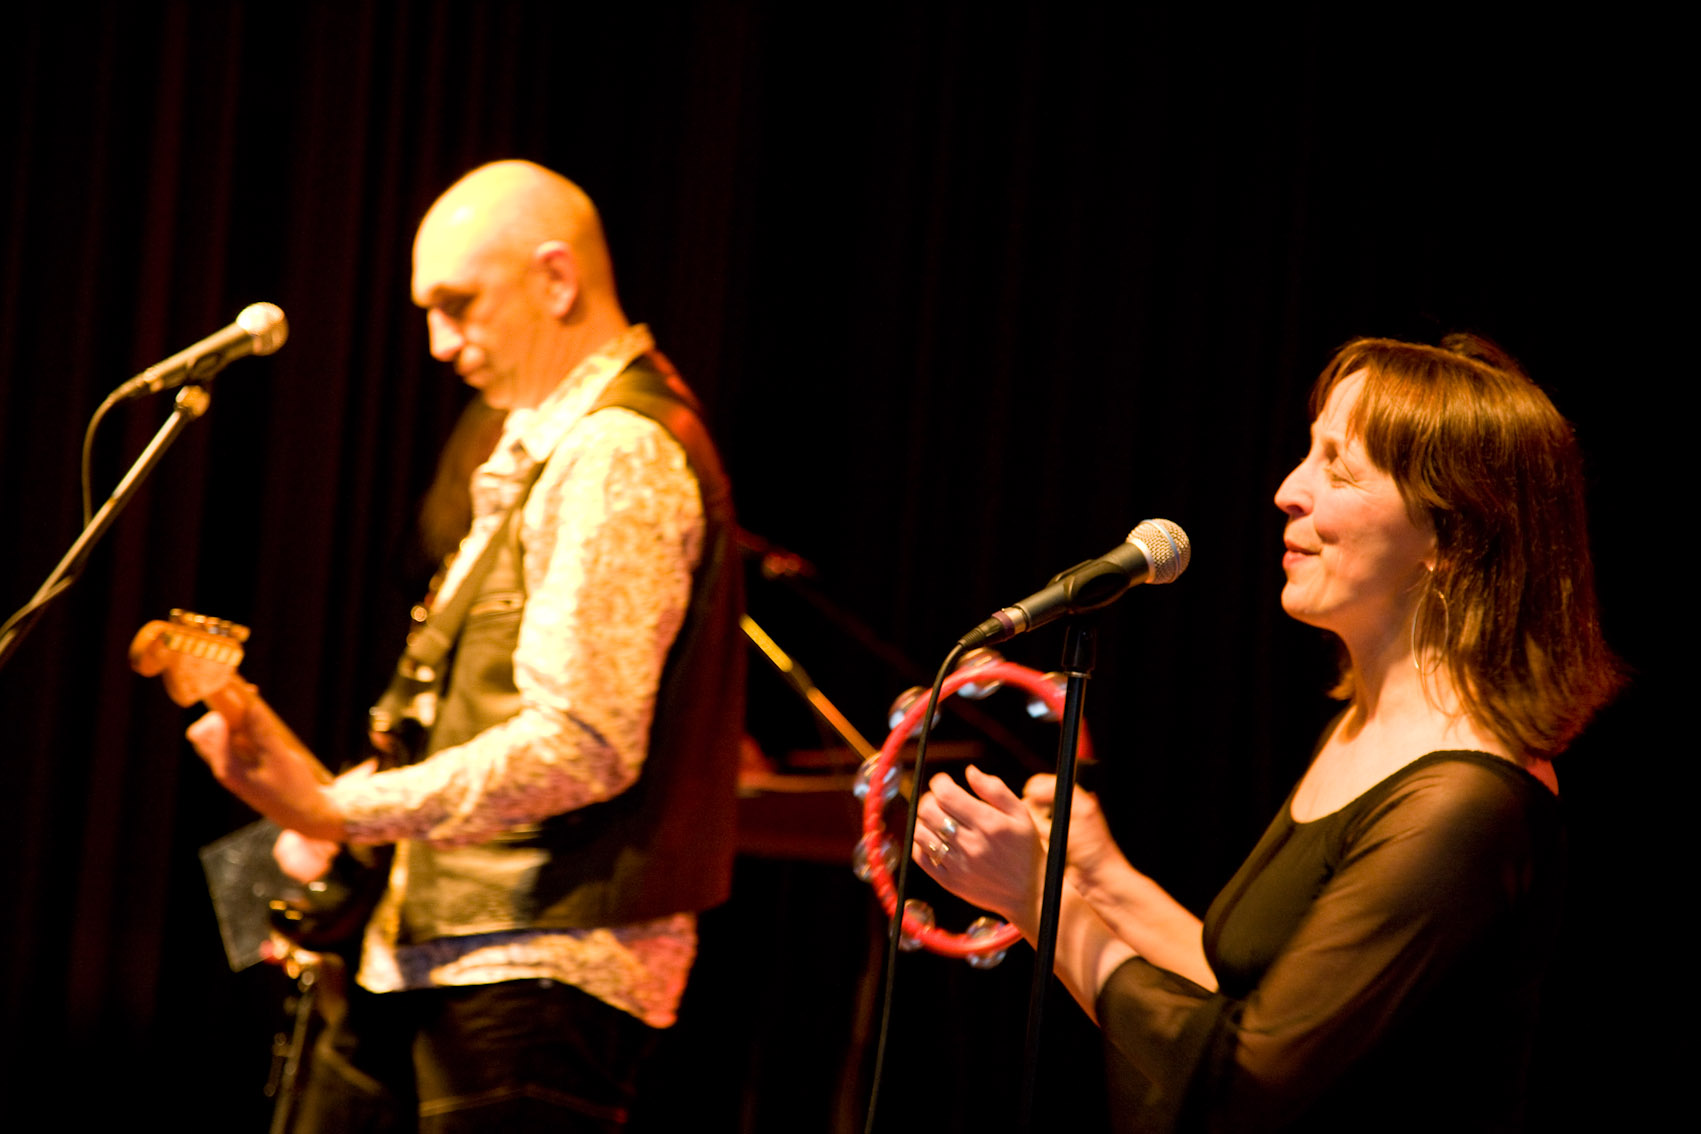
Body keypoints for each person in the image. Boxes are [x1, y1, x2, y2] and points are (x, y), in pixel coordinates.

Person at [912, 335, 1619, 1132]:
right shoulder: (1363, 732)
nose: (1287, 491)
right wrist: (1101, 881)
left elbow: (1246, 1089)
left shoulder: (1465, 804)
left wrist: (1036, 900)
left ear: (1450, 537)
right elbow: (1258, 1004)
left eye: (1338, 469)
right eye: (1306, 454)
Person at [189, 159, 745, 1132]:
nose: (440, 344)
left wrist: (340, 807)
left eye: (458, 305)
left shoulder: (617, 449)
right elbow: (476, 706)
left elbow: (582, 744)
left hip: (535, 965)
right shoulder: (547, 441)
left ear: (556, 278)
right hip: (441, 952)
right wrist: (339, 817)